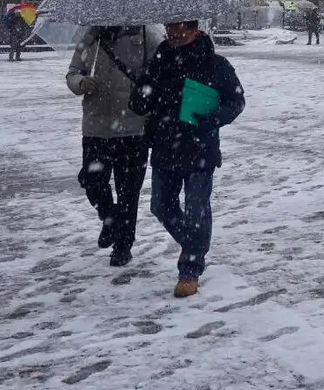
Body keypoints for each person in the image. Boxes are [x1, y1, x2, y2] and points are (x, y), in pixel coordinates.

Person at [130, 20, 245, 298]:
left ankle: (189, 270)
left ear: (195, 30)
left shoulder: (216, 64)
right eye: (171, 29)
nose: (175, 34)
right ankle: (195, 246)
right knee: (160, 205)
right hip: (164, 145)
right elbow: (140, 101)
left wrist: (213, 119)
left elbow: (236, 101)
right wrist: (144, 93)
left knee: (196, 208)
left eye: (182, 29)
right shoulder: (159, 62)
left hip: (200, 147)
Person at [66, 25, 165, 266]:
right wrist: (81, 83)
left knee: (128, 192)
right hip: (96, 127)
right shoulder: (91, 38)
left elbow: (160, 74)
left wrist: (146, 87)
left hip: (133, 127)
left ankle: (123, 245)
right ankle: (110, 219)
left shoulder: (146, 35)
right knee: (92, 181)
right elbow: (72, 72)